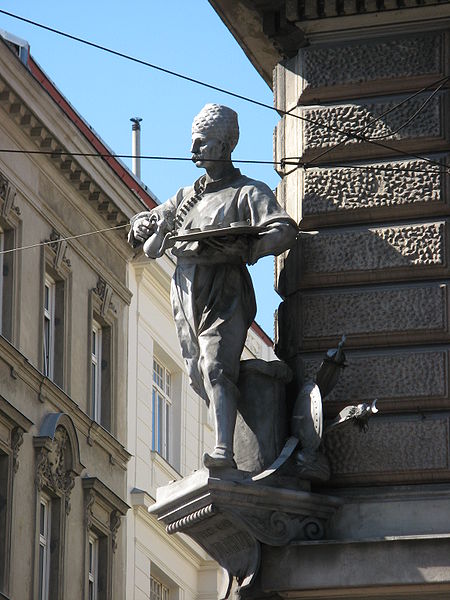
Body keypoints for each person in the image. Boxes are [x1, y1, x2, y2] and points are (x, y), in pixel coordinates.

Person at [129, 104, 297, 468]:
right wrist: (142, 222)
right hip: (187, 289)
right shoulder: (186, 195)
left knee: (216, 365)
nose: (193, 152)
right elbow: (149, 226)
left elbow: (283, 229)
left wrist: (251, 247)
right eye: (193, 143)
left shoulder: (248, 191)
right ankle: (230, 440)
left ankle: (224, 451)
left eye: (201, 143)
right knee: (196, 372)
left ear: (224, 146)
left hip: (226, 288)